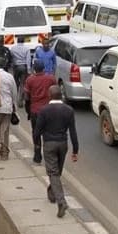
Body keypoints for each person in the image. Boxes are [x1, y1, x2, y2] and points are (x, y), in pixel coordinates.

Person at [35, 85, 79, 218]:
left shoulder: (44, 110)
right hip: (63, 144)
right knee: (56, 172)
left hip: (49, 144)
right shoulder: (69, 110)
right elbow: (73, 131)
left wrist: (37, 145)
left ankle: (61, 202)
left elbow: (37, 130)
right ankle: (52, 192)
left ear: (49, 95)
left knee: (53, 173)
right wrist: (75, 150)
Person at [24, 60, 57, 163]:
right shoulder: (51, 79)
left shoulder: (30, 80)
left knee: (36, 133)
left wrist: (28, 112)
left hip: (35, 111)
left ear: (34, 68)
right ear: (44, 68)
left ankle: (37, 155)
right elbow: (56, 93)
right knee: (49, 133)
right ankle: (50, 155)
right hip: (49, 111)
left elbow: (27, 98)